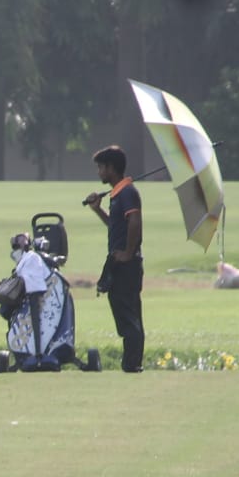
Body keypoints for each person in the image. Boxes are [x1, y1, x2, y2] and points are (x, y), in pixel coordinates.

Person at [83, 144, 144, 373]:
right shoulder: (118, 193)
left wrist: (128, 253)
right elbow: (117, 226)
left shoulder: (127, 192)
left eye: (101, 167)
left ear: (111, 168)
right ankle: (132, 363)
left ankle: (132, 364)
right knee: (127, 313)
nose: (99, 172)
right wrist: (98, 210)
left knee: (127, 314)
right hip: (121, 262)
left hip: (126, 265)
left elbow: (135, 222)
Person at [9, 232, 55, 371]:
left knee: (37, 320)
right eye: (21, 239)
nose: (24, 240)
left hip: (34, 290)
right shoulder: (23, 255)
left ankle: (39, 351)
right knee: (34, 320)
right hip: (33, 290)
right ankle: (38, 352)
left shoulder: (31, 256)